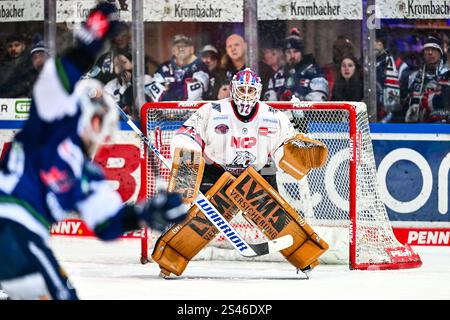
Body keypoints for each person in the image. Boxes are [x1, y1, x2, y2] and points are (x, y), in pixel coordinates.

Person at [0, 3, 188, 300]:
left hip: (24, 240)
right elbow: (55, 78)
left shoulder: (85, 173)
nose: (101, 133)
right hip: (11, 224)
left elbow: (106, 224)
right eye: (100, 121)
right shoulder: (48, 128)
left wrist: (145, 214)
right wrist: (89, 44)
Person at [264, 28, 329, 103]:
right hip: (281, 114)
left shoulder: (315, 72)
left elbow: (318, 100)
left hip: (305, 113)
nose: (292, 55)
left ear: (301, 53)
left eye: (295, 51)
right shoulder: (278, 75)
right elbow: (269, 101)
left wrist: (298, 105)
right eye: (288, 52)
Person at [147, 34, 209, 102]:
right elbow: (157, 97)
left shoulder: (200, 66)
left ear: (192, 49)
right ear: (173, 50)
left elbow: (193, 95)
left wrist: (168, 90)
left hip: (194, 111)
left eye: (185, 46)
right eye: (178, 46)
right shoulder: (163, 67)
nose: (181, 49)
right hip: (166, 111)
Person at [404, 35, 450, 123]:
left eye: (434, 49)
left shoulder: (448, 74)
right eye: (427, 49)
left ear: (440, 53)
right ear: (423, 54)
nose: (430, 52)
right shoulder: (413, 77)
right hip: (421, 126)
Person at [104, 48, 152, 115]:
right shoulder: (109, 87)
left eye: (124, 62)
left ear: (132, 63)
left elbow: (146, 110)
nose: (121, 67)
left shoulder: (146, 80)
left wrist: (128, 85)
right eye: (117, 65)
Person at [375, 36, 406, 123]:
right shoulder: (364, 63)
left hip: (393, 116)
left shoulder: (397, 64)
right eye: (372, 41)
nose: (374, 44)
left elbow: (404, 93)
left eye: (377, 41)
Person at [322, 35, 355, 99]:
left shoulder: (359, 74)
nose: (341, 51)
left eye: (345, 48)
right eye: (337, 48)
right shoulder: (326, 70)